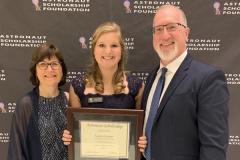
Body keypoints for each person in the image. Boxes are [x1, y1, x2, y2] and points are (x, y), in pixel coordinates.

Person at [141, 5, 229, 160]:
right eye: (159, 29)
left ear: (186, 33)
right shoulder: (152, 77)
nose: (165, 35)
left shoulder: (208, 79)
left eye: (172, 27)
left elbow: (213, 148)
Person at [62, 22, 146, 152]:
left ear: (121, 50)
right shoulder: (78, 86)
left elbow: (140, 131)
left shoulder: (137, 86)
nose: (108, 51)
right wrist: (70, 136)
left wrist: (141, 139)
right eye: (101, 45)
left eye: (114, 45)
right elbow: (76, 133)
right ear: (94, 50)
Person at [8, 43, 68, 160]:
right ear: (35, 70)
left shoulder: (70, 100)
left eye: (54, 64)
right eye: (43, 64)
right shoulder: (26, 105)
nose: (49, 69)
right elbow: (16, 151)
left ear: (62, 70)